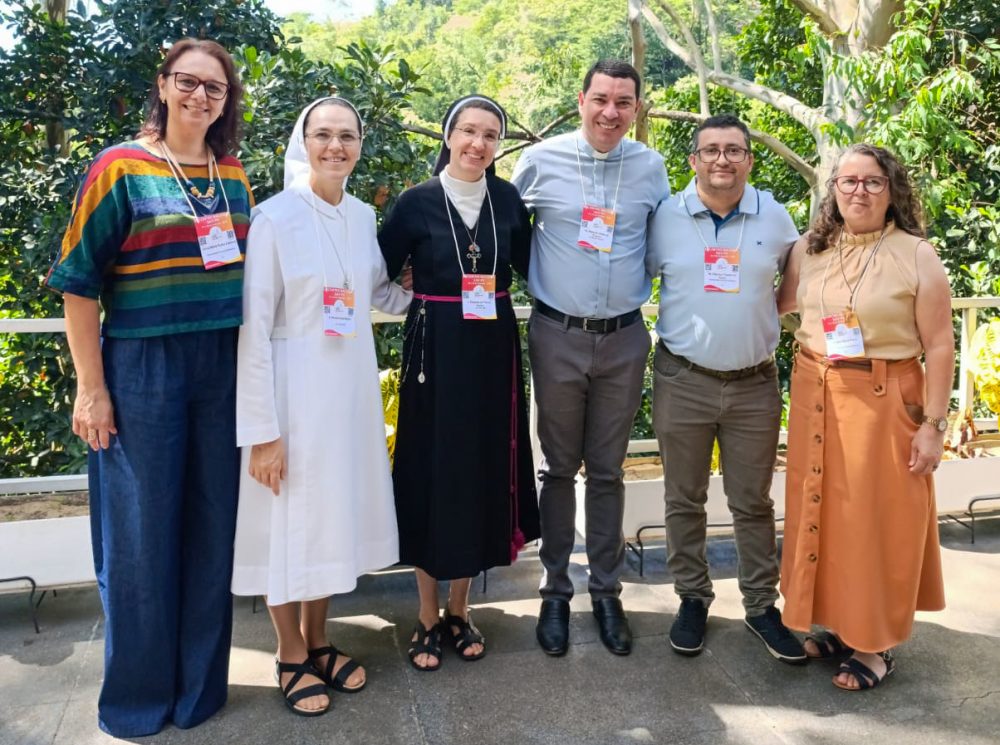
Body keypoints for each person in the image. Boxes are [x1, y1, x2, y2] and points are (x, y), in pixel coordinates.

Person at [44, 39, 253, 737]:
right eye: (187, 82)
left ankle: (199, 692)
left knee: (210, 529)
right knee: (139, 538)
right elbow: (78, 283)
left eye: (215, 88)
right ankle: (136, 701)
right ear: (163, 85)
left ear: (227, 101)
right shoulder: (119, 167)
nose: (200, 96)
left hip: (219, 363)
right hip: (141, 366)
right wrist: (91, 389)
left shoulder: (233, 174)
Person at [232, 97, 411, 715]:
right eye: (323, 135)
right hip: (292, 390)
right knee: (289, 524)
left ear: (360, 144)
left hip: (349, 390)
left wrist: (435, 288)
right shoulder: (274, 218)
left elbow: (378, 293)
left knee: (329, 519)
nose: (336, 146)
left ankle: (319, 638)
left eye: (348, 136)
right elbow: (254, 329)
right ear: (303, 141)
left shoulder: (362, 216)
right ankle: (287, 651)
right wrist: (262, 431)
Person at [777, 143, 951, 690]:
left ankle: (875, 644)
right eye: (848, 182)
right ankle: (840, 622)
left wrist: (934, 426)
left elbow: (941, 346)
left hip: (883, 395)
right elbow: (781, 305)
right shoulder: (809, 248)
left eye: (873, 182)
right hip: (815, 388)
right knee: (822, 507)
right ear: (833, 190)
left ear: (891, 189)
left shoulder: (916, 254)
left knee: (875, 519)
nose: (859, 192)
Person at [511, 60, 669, 656]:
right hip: (557, 333)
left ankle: (607, 592)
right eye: (600, 99)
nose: (610, 112)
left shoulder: (651, 168)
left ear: (636, 109)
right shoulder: (541, 159)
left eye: (623, 102)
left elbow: (661, 245)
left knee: (606, 470)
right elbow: (503, 224)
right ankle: (554, 592)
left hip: (626, 336)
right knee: (556, 468)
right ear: (580, 100)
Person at [379, 95, 541, 671]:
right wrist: (420, 305)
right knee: (432, 470)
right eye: (468, 131)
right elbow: (377, 275)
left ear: (498, 145)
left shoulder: (507, 199)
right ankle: (424, 613)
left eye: (490, 135)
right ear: (448, 136)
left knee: (478, 469)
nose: (477, 143)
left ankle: (459, 607)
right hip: (435, 352)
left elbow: (531, 267)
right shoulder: (414, 203)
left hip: (493, 350)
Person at [646, 114, 805, 663]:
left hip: (754, 384)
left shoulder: (776, 216)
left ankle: (761, 605)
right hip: (681, 378)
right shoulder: (664, 216)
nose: (722, 160)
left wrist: (757, 320)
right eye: (710, 150)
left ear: (749, 160)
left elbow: (794, 284)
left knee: (752, 503)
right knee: (682, 499)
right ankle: (693, 598)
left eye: (734, 150)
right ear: (692, 160)